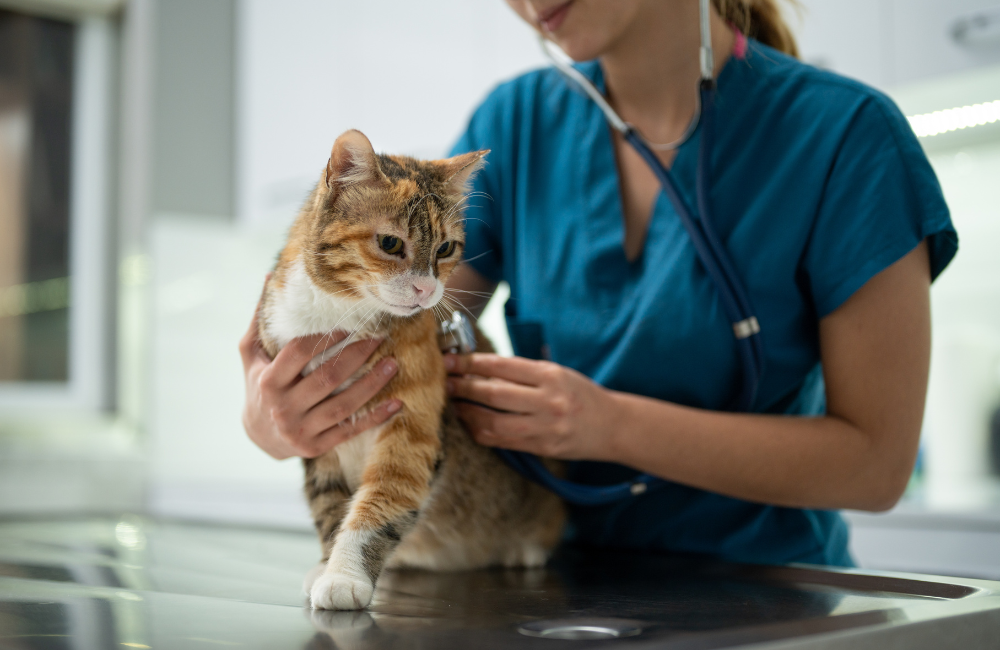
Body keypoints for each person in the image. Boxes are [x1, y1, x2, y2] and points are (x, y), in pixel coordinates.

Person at [240, 0, 957, 567]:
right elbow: (393, 339)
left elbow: (877, 467)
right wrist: (278, 418)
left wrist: (608, 426)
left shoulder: (849, 138)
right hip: (554, 579)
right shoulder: (516, 123)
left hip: (770, 593)